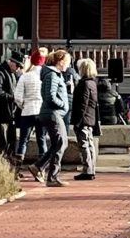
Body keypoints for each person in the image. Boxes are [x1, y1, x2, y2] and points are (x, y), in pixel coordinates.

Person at [37, 46, 71, 186]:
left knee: (58, 143)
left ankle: (38, 166)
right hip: (53, 113)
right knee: (62, 143)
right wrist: (63, 104)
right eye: (67, 62)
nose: (68, 65)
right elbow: (49, 96)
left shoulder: (54, 75)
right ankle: (52, 177)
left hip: (53, 113)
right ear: (60, 61)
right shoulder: (52, 75)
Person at [69, 57, 103, 180]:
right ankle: (91, 168)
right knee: (89, 144)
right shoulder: (93, 83)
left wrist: (77, 121)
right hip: (90, 118)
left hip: (83, 118)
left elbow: (82, 104)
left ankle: (87, 169)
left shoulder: (83, 84)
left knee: (84, 144)